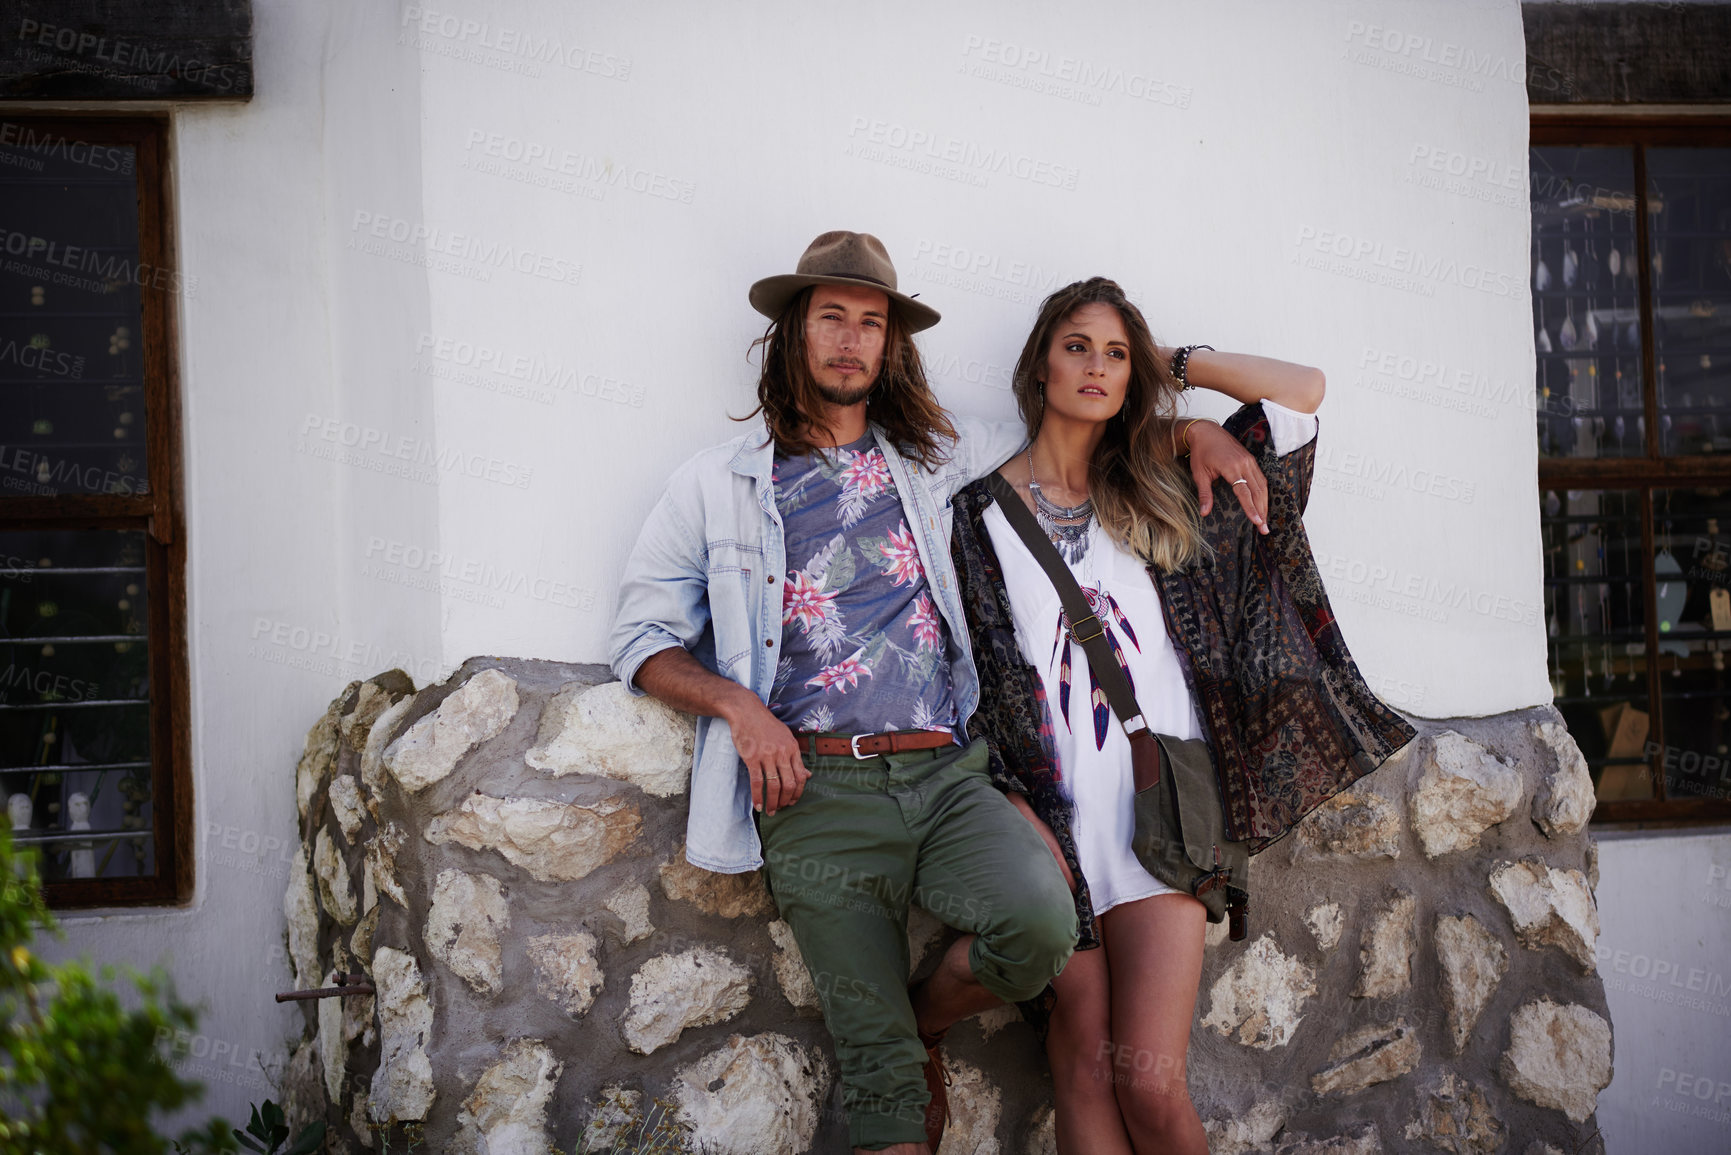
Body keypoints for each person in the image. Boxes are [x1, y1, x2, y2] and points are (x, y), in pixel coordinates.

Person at [608, 233, 1281, 1155]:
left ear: (890, 346)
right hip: (815, 798)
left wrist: (1187, 427)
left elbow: (1078, 435)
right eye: (830, 318)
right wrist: (738, 705)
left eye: (871, 323)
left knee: (1041, 927)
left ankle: (918, 1016)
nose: (850, 340)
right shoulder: (715, 486)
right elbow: (640, 637)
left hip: (948, 778)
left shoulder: (937, 459)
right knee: (882, 1082)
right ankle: (897, 1044)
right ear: (790, 336)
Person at [947, 277, 1418, 1153]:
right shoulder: (977, 513)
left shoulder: (1160, 482)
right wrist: (1008, 806)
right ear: (1038, 362)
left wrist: (1175, 374)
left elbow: (1302, 394)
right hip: (1052, 818)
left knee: (1151, 1083)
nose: (1095, 366)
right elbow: (973, 672)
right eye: (1076, 346)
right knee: (1080, 1059)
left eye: (1115, 353)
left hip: (1160, 810)